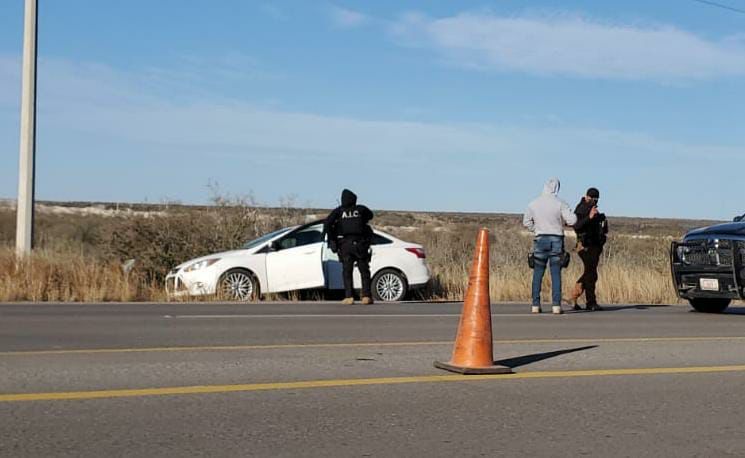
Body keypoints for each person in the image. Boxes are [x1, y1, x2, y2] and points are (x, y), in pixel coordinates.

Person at [523, 178, 577, 315]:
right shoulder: (560, 203)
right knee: (555, 273)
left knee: (537, 273)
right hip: (556, 239)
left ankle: (535, 304)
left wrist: (536, 229)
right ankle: (556, 305)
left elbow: (526, 222)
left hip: (540, 239)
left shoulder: (533, 203)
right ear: (557, 188)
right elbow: (572, 220)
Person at [323, 189, 375, 305]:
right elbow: (370, 215)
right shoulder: (361, 209)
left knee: (347, 271)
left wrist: (332, 239)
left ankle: (349, 297)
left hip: (345, 244)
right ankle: (366, 296)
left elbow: (327, 223)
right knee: (364, 270)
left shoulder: (339, 211)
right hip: (360, 244)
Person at [569, 187, 609, 311]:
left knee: (591, 273)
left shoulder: (593, 209)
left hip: (594, 246)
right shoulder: (580, 209)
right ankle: (589, 301)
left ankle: (576, 298)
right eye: (592, 199)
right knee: (591, 274)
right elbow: (577, 226)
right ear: (586, 197)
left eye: (596, 199)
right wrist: (590, 217)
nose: (594, 201)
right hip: (585, 246)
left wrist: (600, 221)